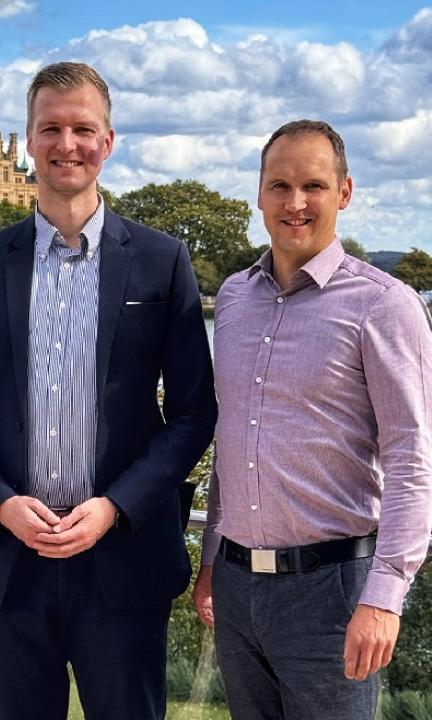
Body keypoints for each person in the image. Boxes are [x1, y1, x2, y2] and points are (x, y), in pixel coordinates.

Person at [0, 61, 217, 720]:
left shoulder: (161, 260)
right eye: (50, 128)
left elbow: (194, 412)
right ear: (26, 142)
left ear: (107, 141)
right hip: (10, 563)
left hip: (123, 561)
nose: (66, 144)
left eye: (82, 128)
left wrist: (115, 506)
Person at [193, 119, 432, 719]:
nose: (295, 203)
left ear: (344, 192)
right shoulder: (234, 300)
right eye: (279, 185)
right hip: (238, 587)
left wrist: (385, 596)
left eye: (313, 186)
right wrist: (210, 561)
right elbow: (233, 439)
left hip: (335, 594)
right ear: (259, 193)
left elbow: (412, 457)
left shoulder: (384, 306)